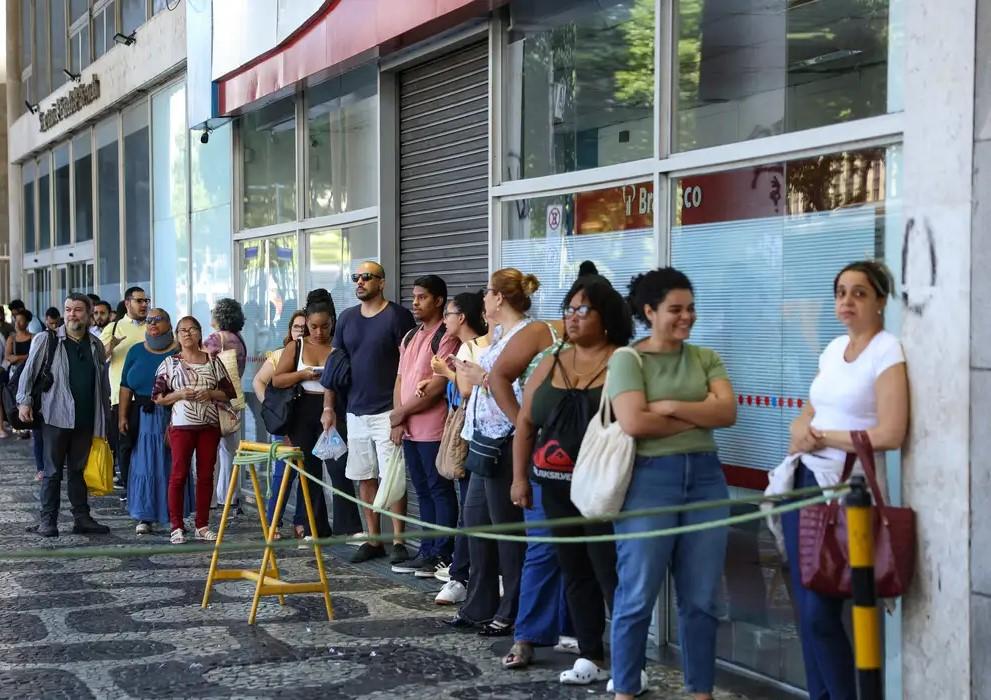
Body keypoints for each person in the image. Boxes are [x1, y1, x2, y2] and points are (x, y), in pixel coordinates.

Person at [776, 260, 908, 699]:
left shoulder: (887, 349)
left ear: (881, 302)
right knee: (805, 609)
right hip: (804, 482)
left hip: (846, 492)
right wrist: (801, 426)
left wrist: (824, 437)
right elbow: (817, 402)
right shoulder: (833, 349)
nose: (846, 301)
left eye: (859, 293)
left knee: (821, 610)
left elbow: (891, 432)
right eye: (840, 292)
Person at [608, 268, 737, 700]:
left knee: (701, 599)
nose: (687, 317)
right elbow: (633, 421)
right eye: (676, 309)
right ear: (650, 311)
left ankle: (701, 692)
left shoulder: (704, 357)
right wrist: (698, 411)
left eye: (691, 308)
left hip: (706, 478)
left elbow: (727, 414)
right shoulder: (628, 359)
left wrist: (669, 406)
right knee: (637, 594)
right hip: (649, 481)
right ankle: (625, 689)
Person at [510, 274, 632, 683]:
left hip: (604, 489)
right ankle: (591, 655)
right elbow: (526, 423)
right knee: (574, 570)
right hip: (552, 485)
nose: (573, 317)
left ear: (606, 317)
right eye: (569, 309)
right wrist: (519, 479)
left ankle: (630, 661)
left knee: (610, 572)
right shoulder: (552, 359)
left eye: (584, 310)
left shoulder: (624, 360)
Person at [445, 268, 541, 636]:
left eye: (487, 292)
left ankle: (511, 609)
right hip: (483, 437)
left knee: (506, 533)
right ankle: (477, 606)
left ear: (499, 297)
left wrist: (477, 376)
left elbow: (514, 386)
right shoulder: (499, 335)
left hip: (506, 439)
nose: (482, 298)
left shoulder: (527, 333)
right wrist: (468, 372)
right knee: (476, 526)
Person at [321, 261, 416, 565]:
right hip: (354, 410)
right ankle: (373, 537)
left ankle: (399, 539)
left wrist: (401, 412)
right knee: (364, 475)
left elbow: (409, 365)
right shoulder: (347, 318)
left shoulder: (397, 316)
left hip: (388, 410)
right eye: (356, 278)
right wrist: (328, 407)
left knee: (393, 477)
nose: (359, 282)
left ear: (382, 282)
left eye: (366, 277)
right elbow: (334, 367)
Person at [17, 293, 111, 538]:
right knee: (52, 471)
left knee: (78, 470)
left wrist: (105, 413)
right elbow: (29, 373)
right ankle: (48, 521)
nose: (72, 314)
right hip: (55, 415)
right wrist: (24, 401)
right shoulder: (47, 340)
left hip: (85, 418)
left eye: (78, 310)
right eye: (68, 309)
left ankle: (82, 518)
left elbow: (101, 382)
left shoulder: (95, 344)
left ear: (88, 314)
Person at [273, 290, 362, 540]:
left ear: (332, 323)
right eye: (313, 327)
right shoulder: (297, 346)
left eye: (325, 326)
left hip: (333, 410)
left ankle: (350, 527)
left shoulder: (338, 345)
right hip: (302, 410)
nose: (319, 332)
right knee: (308, 472)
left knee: (339, 468)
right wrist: (303, 375)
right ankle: (315, 527)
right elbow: (277, 379)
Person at [390, 275, 462, 576]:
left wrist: (401, 413)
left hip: (434, 428)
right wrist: (399, 417)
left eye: (422, 297)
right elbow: (400, 380)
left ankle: (443, 552)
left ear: (439, 300)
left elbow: (436, 386)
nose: (415, 302)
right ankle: (427, 550)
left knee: (438, 489)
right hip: (409, 429)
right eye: (414, 296)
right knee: (421, 488)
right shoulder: (410, 336)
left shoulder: (446, 337)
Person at [152, 316, 237, 544]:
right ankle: (176, 525)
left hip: (209, 425)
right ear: (177, 336)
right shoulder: (169, 363)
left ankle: (202, 524)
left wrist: (209, 393)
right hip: (181, 426)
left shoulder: (213, 361)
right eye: (182, 330)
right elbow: (158, 398)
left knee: (206, 474)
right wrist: (179, 394)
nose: (187, 334)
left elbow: (229, 392)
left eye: (192, 329)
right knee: (179, 474)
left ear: (200, 333)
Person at [431, 291, 489, 605]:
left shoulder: (472, 346)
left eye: (449, 314)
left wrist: (446, 373)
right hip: (469, 429)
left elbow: (468, 389)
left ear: (462, 317)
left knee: (470, 509)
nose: (445, 320)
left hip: (476, 434)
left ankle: (461, 576)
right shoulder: (466, 346)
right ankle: (464, 573)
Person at [119, 309, 186, 535]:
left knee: (172, 465)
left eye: (158, 320)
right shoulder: (135, 351)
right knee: (143, 464)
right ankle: (144, 515)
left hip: (174, 414)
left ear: (169, 324)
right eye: (149, 320)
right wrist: (122, 416)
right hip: (142, 415)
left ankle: (174, 516)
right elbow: (125, 386)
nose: (153, 324)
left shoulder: (180, 351)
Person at [253, 310, 308, 537]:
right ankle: (273, 521)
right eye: (296, 327)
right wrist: (271, 407)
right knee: (283, 473)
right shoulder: (278, 355)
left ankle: (302, 522)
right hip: (285, 421)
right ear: (290, 330)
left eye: (304, 327)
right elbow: (259, 381)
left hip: (308, 420)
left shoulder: (316, 354)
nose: (300, 331)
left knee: (307, 473)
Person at [101, 286, 150, 505]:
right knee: (125, 446)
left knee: (148, 444)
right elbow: (98, 359)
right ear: (128, 303)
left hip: (149, 397)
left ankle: (147, 488)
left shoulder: (153, 327)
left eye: (146, 301)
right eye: (139, 301)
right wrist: (111, 346)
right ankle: (130, 488)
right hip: (120, 399)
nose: (144, 305)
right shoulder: (113, 328)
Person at [204, 298, 248, 516]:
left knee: (209, 451)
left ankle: (210, 498)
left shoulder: (215, 339)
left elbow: (202, 365)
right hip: (233, 399)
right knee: (229, 451)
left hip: (214, 400)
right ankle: (229, 495)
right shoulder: (239, 339)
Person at [3, 310, 35, 444]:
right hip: (15, 372)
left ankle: (29, 424)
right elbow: (8, 357)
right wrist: (24, 358)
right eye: (16, 320)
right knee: (15, 396)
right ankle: (18, 423)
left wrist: (19, 358)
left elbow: (34, 356)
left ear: (27, 322)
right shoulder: (12, 338)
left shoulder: (33, 337)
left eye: (21, 320)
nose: (18, 323)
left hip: (30, 371)